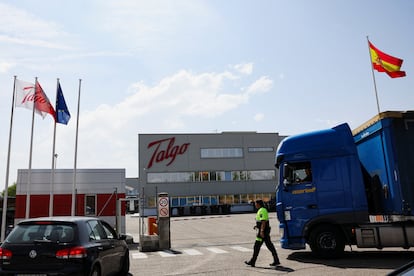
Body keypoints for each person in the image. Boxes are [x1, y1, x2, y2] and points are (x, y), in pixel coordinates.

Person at [245, 199, 280, 267]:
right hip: (263, 231)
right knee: (269, 246)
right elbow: (260, 222)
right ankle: (276, 260)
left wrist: (261, 231)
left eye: (256, 204)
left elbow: (263, 221)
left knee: (257, 247)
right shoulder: (261, 210)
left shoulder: (262, 210)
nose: (255, 205)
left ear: (258, 204)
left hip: (263, 232)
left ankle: (252, 261)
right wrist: (257, 226)